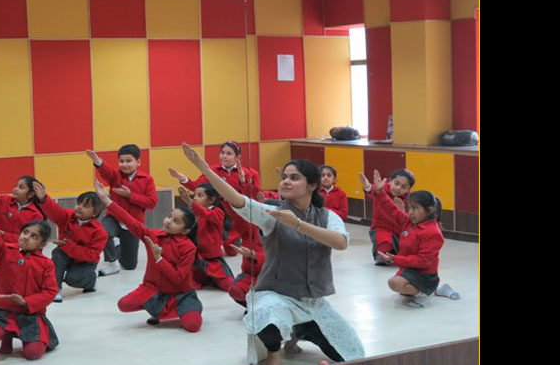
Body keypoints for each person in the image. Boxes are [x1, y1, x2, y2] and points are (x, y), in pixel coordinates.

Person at [180, 143, 365, 364]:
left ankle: (300, 330)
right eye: (284, 177)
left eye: (294, 178)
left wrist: (297, 224)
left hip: (313, 302)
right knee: (266, 311)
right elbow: (239, 200)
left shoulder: (327, 216)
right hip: (276, 295)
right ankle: (273, 353)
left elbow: (341, 243)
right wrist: (205, 169)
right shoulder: (272, 213)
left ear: (312, 185)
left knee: (354, 354)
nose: (286, 181)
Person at [95, 179, 204, 332]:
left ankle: (184, 309)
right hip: (153, 289)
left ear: (185, 230)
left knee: (193, 325)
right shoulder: (153, 235)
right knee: (124, 305)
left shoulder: (189, 247)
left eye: (176, 221)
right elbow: (131, 222)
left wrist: (159, 259)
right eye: (169, 216)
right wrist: (106, 200)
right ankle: (157, 309)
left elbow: (178, 278)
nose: (168, 221)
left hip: (180, 294)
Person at [0, 193, 59, 359]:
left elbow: (50, 292)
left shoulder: (46, 264)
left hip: (30, 314)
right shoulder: (5, 250)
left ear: (42, 244)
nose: (26, 237)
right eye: (25, 232)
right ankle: (6, 335)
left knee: (33, 353)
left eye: (34, 236)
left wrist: (26, 302)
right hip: (3, 311)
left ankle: (24, 334)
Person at [169, 140, 260, 257]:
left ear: (237, 157)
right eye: (222, 152)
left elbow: (253, 195)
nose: (224, 156)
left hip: (238, 213)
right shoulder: (212, 170)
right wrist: (182, 178)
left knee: (232, 251)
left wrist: (243, 180)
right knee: (209, 240)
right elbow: (196, 186)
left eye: (229, 153)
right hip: (219, 211)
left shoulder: (249, 173)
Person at [370, 170, 445, 308]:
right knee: (399, 287)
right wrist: (380, 193)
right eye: (410, 208)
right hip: (409, 268)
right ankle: (420, 290)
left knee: (395, 283)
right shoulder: (410, 221)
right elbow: (391, 209)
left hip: (425, 274)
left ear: (429, 210)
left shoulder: (433, 233)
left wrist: (395, 259)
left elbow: (423, 262)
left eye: (415, 209)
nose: (410, 212)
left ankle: (428, 289)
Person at [86, 145, 158, 276]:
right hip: (113, 217)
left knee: (130, 265)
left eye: (128, 161)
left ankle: (118, 246)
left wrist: (130, 196)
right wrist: (98, 162)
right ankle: (113, 262)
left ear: (138, 162)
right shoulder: (116, 176)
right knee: (103, 232)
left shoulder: (147, 179)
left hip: (133, 223)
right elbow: (106, 172)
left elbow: (152, 203)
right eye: (121, 161)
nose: (124, 165)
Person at [32, 181, 107, 303]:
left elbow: (91, 255)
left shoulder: (100, 232)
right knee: (57, 253)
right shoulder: (67, 216)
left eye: (85, 206)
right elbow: (54, 211)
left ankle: (92, 280)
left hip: (85, 262)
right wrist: (44, 199)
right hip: (66, 254)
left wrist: (68, 246)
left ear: (95, 213)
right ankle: (55, 289)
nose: (79, 207)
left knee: (72, 279)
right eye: (79, 203)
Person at [178, 184, 234, 291]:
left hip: (213, 260)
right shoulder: (192, 213)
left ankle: (211, 278)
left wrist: (190, 202)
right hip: (194, 260)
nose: (195, 198)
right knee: (189, 285)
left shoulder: (218, 212)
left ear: (211, 199)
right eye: (194, 195)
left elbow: (206, 214)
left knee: (230, 286)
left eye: (200, 195)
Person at [359, 168, 414, 265]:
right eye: (396, 183)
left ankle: (396, 255)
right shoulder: (382, 189)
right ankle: (383, 257)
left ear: (408, 189)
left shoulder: (409, 199)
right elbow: (373, 191)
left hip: (399, 231)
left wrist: (403, 210)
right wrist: (367, 187)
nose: (398, 188)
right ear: (390, 181)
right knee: (384, 245)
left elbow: (409, 220)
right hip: (382, 227)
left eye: (403, 187)